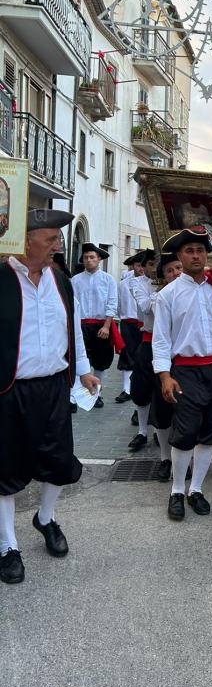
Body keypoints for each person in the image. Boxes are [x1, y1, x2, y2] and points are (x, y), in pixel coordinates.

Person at [0, 209, 99, 585]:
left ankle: (45, 518)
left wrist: (84, 368)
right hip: (9, 387)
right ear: (26, 241)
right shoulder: (2, 277)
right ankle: (8, 545)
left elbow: (72, 327)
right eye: (51, 240)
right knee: (5, 467)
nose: (58, 246)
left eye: (59, 239)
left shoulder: (61, 279)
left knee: (57, 458)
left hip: (54, 386)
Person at [153, 227, 212, 520]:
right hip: (187, 371)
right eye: (189, 251)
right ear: (179, 256)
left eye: (200, 250)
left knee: (210, 434)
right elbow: (161, 339)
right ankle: (177, 490)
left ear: (207, 254)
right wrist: (165, 375)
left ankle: (197, 489)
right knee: (185, 433)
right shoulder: (168, 295)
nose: (196, 256)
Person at [147, 252, 183, 481]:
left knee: (186, 414)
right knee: (163, 413)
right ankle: (165, 458)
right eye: (169, 271)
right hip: (164, 363)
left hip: (188, 364)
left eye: (178, 268)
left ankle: (184, 458)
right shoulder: (160, 297)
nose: (175, 273)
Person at [71, 243, 118, 408]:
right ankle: (75, 396)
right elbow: (72, 305)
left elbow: (112, 303)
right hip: (81, 326)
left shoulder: (108, 280)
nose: (89, 260)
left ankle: (97, 393)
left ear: (99, 259)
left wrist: (106, 326)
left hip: (100, 326)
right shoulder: (75, 280)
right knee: (79, 359)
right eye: (86, 257)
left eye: (92, 257)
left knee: (100, 361)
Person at [129, 250, 160, 452]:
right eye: (150, 264)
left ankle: (160, 429)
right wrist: (162, 289)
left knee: (163, 388)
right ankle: (142, 431)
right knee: (142, 387)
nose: (154, 268)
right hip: (148, 341)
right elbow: (147, 307)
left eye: (158, 264)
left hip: (171, 344)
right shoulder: (138, 284)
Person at [115, 251, 145, 404]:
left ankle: (140, 387)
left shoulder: (149, 283)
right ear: (133, 266)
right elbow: (119, 304)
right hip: (128, 322)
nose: (140, 269)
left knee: (143, 356)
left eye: (142, 265)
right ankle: (126, 389)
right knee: (127, 354)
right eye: (138, 265)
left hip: (144, 324)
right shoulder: (123, 284)